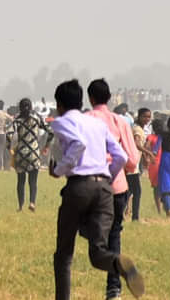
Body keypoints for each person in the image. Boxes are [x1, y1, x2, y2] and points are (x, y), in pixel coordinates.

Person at [47, 79, 143, 300]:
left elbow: (77, 144)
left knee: (64, 254)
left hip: (79, 186)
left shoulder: (61, 122)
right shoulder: (99, 124)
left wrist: (59, 170)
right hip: (104, 189)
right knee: (98, 252)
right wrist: (106, 176)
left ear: (60, 105)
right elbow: (121, 156)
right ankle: (120, 265)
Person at [86, 79, 140, 300]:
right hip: (117, 186)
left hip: (89, 185)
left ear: (90, 98)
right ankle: (113, 290)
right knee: (114, 234)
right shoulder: (120, 122)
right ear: (109, 98)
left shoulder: (84, 120)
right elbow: (132, 159)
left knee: (90, 235)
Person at [12, 98, 51, 212]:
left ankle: (20, 206)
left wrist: (10, 148)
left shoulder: (17, 120)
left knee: (21, 181)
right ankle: (32, 203)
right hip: (34, 152)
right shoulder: (36, 119)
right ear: (31, 107)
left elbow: (9, 134)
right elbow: (50, 131)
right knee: (33, 181)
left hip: (21, 153)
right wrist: (46, 146)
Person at [127, 108, 151, 221]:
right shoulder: (137, 129)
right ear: (139, 116)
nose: (147, 119)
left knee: (130, 190)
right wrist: (148, 153)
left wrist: (145, 157)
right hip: (132, 163)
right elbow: (137, 144)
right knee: (136, 191)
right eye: (145, 116)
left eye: (148, 117)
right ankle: (135, 217)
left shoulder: (139, 128)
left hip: (133, 162)